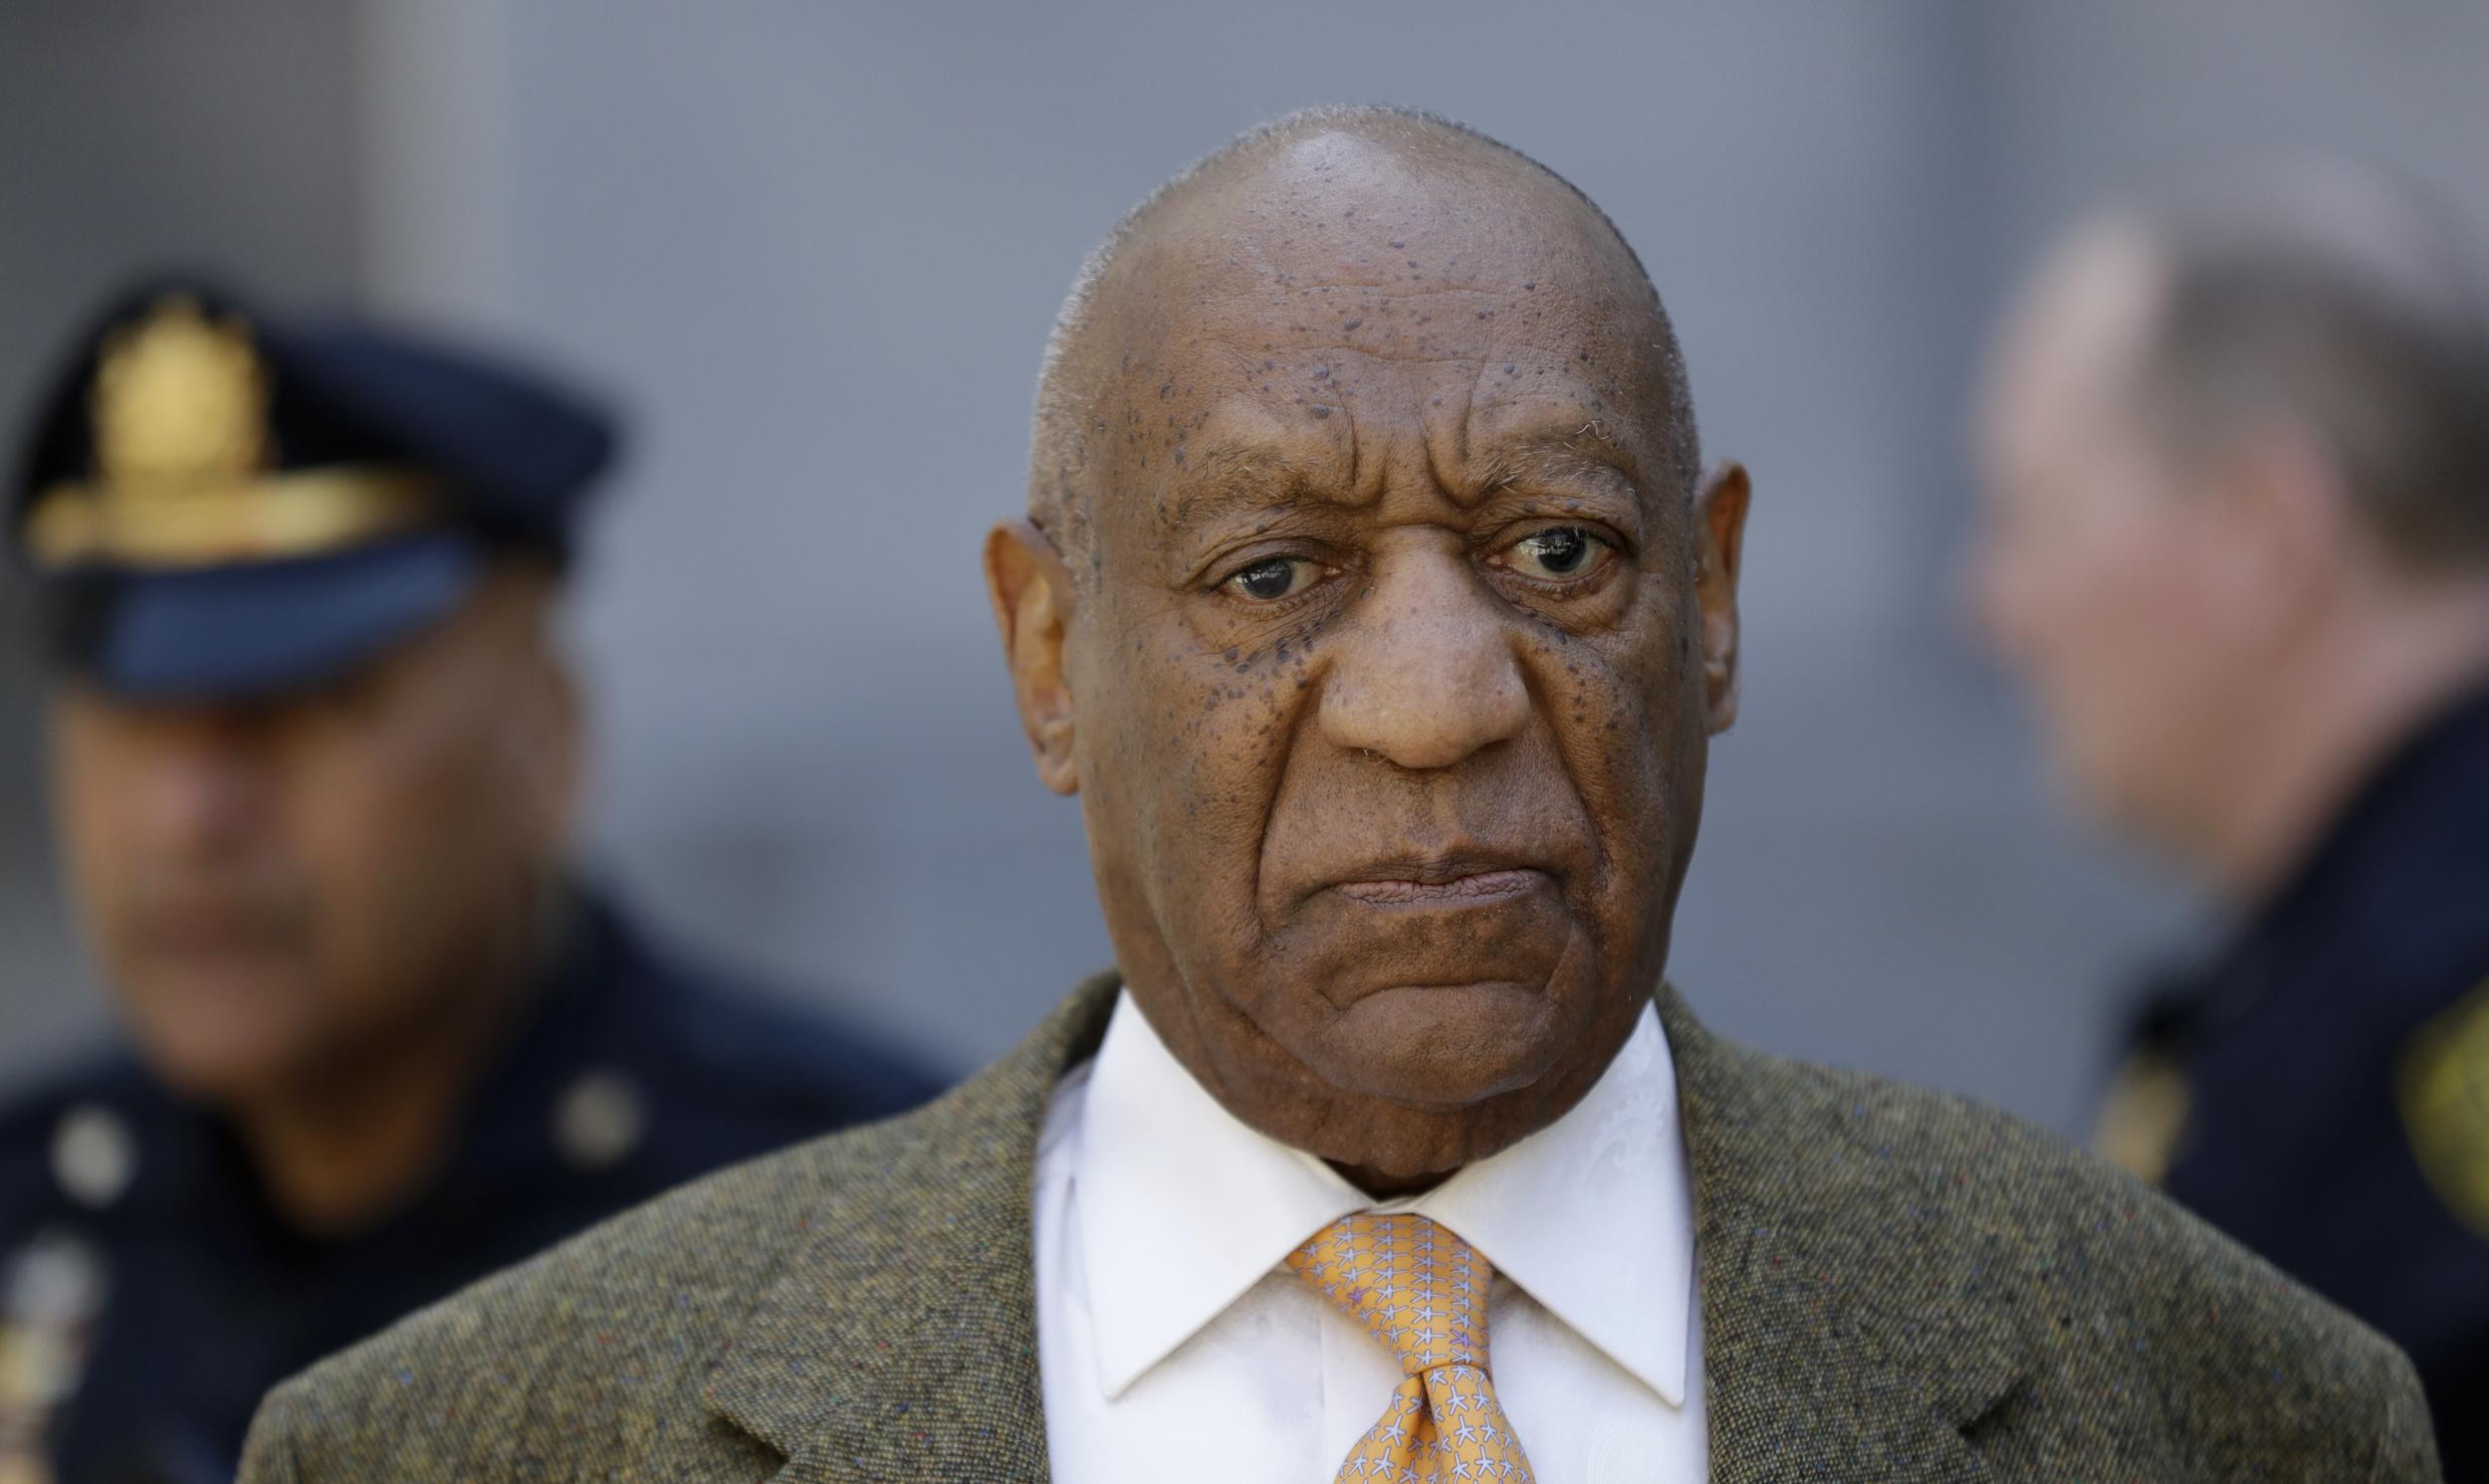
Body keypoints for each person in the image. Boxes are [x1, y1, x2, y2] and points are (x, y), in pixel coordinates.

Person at [240, 108, 2433, 1483]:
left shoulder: (2211, 1403)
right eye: (1270, 575)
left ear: (1716, 605)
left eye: (1558, 552)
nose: (1430, 701)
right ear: (1045, 657)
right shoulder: (487, 1439)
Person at [0, 280, 941, 1484]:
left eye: (305, 701)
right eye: (134, 716)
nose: (188, 818)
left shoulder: (855, 1243)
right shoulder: (36, 1213)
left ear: (546, 739)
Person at [1968, 170, 2489, 1476]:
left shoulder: (2432, 984)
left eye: (2032, 513)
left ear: (2266, 527)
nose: (1993, 607)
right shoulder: (2340, 972)